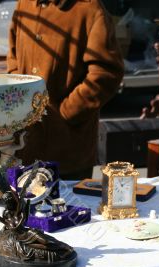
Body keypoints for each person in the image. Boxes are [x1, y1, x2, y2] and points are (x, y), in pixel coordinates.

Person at [7, 0, 124, 179]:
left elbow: (106, 72)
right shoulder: (25, 4)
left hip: (68, 150)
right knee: (21, 205)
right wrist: (20, 95)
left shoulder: (89, 9)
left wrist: (67, 113)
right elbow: (13, 56)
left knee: (67, 206)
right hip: (25, 146)